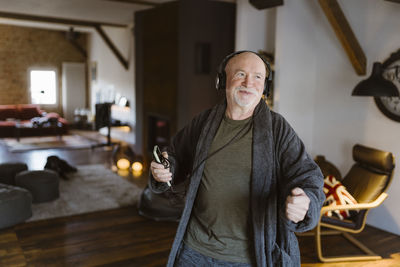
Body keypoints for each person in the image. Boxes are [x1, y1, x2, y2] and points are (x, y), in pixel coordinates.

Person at [150, 50, 325, 266]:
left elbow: (308, 176)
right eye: (240, 74)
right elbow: (176, 154)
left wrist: (306, 202)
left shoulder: (277, 128)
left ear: (265, 87)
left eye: (258, 77)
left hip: (248, 257)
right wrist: (165, 169)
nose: (249, 83)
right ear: (222, 81)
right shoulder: (203, 121)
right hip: (194, 249)